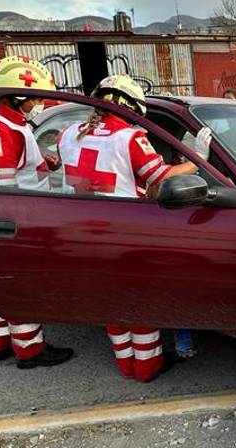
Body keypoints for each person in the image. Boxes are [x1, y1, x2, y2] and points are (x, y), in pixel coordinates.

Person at [58, 74, 212, 382]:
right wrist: (199, 159)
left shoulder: (69, 133)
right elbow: (160, 176)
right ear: (129, 107)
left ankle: (125, 363)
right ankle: (146, 367)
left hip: (79, 230)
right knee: (139, 301)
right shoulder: (130, 137)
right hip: (122, 232)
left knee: (111, 302)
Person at [0, 56, 73, 369]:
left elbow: (12, 164)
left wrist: (39, 162)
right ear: (17, 95)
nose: (37, 105)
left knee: (3, 284)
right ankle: (30, 350)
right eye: (35, 98)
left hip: (0, 216)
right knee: (22, 284)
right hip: (10, 218)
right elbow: (3, 185)